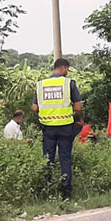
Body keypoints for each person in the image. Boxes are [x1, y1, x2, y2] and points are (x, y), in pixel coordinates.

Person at [32, 58, 83, 198]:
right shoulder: (69, 83)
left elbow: (34, 107)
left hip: (47, 127)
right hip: (65, 127)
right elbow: (78, 106)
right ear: (65, 68)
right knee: (65, 158)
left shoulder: (41, 84)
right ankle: (66, 192)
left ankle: (47, 190)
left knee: (48, 158)